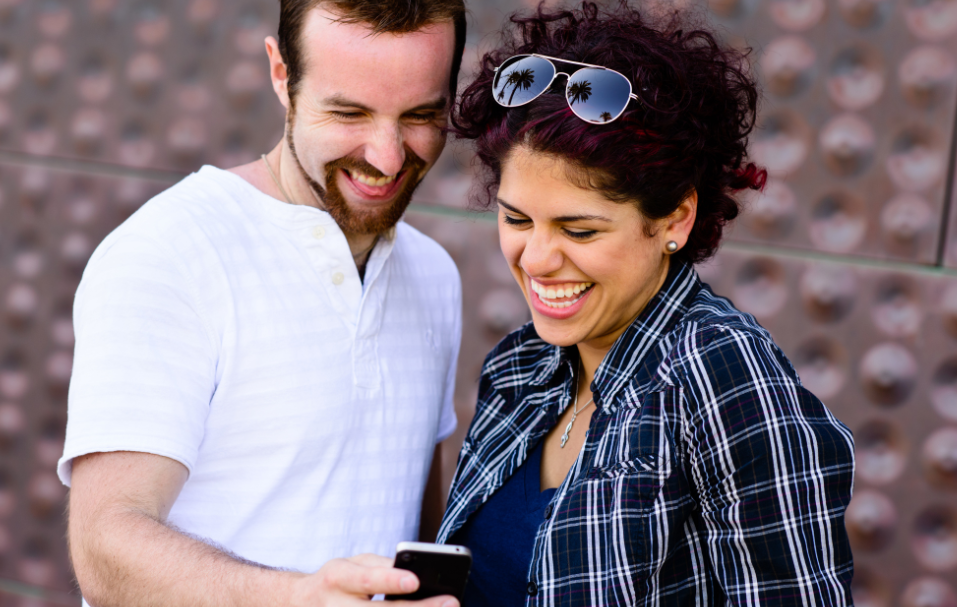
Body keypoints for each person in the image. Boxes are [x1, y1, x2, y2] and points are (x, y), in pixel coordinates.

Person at [437, 3, 855, 605]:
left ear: (675, 219)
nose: (536, 259)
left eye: (579, 231)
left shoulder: (724, 377)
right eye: (516, 218)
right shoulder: (517, 367)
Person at [59, 1, 468, 605]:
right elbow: (104, 545)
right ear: (281, 74)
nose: (387, 156)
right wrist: (295, 597)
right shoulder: (167, 253)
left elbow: (419, 532)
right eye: (348, 112)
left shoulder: (436, 274)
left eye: (421, 116)